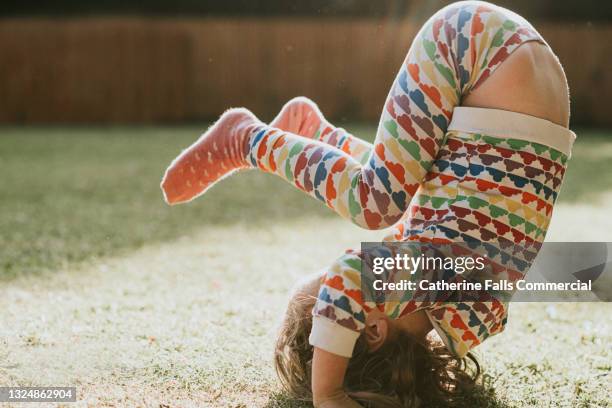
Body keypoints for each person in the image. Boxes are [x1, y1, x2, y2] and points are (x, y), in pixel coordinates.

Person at [160, 1, 574, 406]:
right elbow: (349, 277)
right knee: (376, 205)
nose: (356, 264)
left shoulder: (468, 316)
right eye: (332, 304)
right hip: (474, 47)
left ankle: (304, 137)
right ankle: (249, 139)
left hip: (514, 75)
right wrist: (330, 393)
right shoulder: (432, 286)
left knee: (393, 199)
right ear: (373, 328)